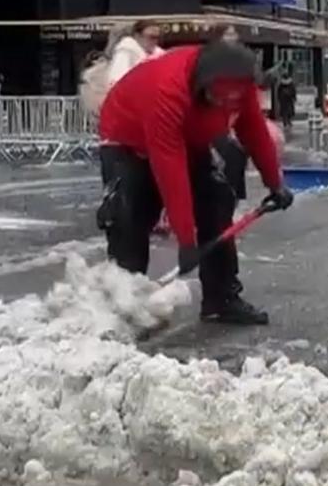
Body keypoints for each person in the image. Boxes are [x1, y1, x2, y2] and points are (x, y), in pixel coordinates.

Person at [97, 40, 294, 326]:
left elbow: (253, 132)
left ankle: (221, 298)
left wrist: (275, 183)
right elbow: (170, 170)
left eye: (233, 101)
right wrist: (186, 240)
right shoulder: (168, 91)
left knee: (216, 202)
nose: (227, 106)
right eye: (219, 99)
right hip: (128, 138)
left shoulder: (241, 86)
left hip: (191, 138)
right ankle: (124, 305)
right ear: (203, 85)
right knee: (131, 215)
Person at [274, 64, 298, 134]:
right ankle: (288, 122)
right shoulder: (291, 83)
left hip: (283, 99)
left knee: (284, 112)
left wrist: (278, 98)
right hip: (289, 99)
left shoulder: (281, 84)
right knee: (289, 111)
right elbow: (293, 90)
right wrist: (294, 97)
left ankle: (285, 123)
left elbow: (278, 91)